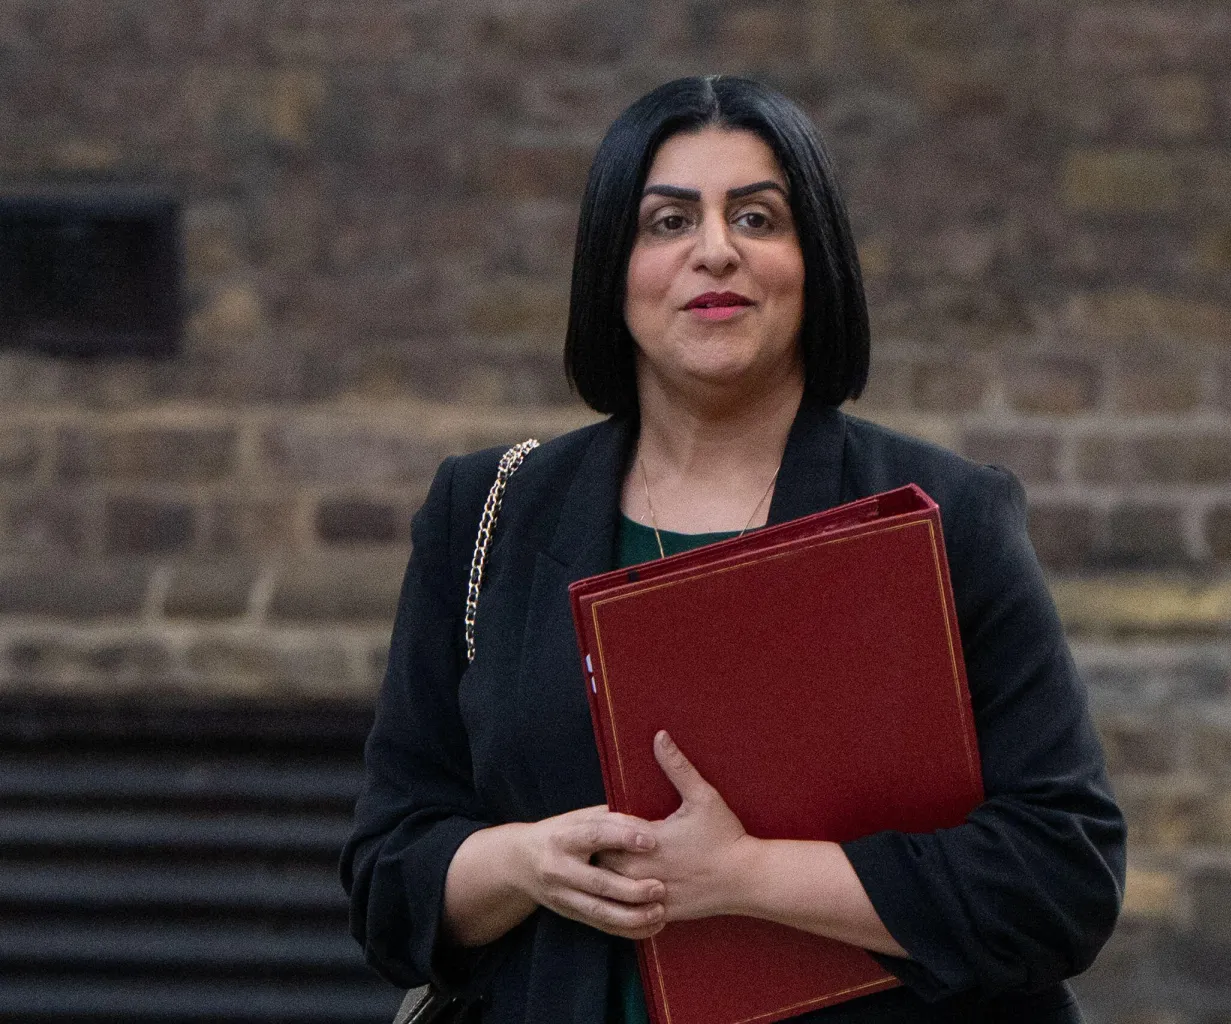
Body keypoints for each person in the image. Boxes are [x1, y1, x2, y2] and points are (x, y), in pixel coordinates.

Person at [341, 75, 1125, 1023]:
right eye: (667, 222)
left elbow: (1061, 876)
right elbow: (388, 878)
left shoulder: (945, 519)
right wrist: (528, 863)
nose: (715, 252)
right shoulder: (489, 513)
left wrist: (745, 876)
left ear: (815, 260)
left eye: (758, 217)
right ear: (611, 266)